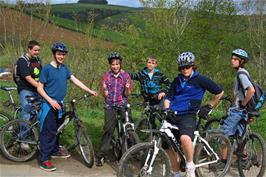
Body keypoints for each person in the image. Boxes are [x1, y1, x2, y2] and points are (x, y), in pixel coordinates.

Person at [37, 42, 97, 172]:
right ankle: (44, 159)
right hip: (49, 105)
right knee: (49, 132)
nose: (61, 57)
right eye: (59, 54)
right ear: (54, 54)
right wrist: (50, 101)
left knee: (57, 130)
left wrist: (89, 90)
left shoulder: (64, 68)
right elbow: (39, 87)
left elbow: (75, 80)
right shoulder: (47, 69)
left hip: (60, 104)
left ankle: (54, 150)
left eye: (63, 54)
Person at [164, 51, 224, 177]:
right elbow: (168, 98)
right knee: (167, 145)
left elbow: (219, 92)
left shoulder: (200, 80)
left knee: (185, 138)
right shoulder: (177, 80)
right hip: (173, 114)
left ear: (192, 66)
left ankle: (190, 166)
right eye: (182, 67)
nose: (185, 69)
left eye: (187, 66)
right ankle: (176, 174)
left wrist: (209, 105)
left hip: (188, 115)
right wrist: (167, 109)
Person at [214, 49, 255, 169]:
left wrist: (242, 104)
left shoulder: (241, 74)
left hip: (238, 110)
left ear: (241, 61)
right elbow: (239, 92)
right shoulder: (244, 73)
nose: (232, 61)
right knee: (240, 135)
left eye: (235, 59)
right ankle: (244, 159)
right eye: (232, 58)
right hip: (244, 111)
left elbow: (251, 90)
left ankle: (223, 162)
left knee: (224, 134)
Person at [95, 52, 132, 167]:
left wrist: (127, 89)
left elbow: (127, 94)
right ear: (110, 65)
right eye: (113, 64)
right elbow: (104, 94)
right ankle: (101, 155)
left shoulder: (126, 76)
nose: (115, 66)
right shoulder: (106, 76)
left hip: (122, 104)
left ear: (120, 64)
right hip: (110, 105)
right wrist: (105, 92)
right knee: (108, 130)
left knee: (128, 128)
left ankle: (131, 152)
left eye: (117, 64)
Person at [130, 55, 171, 128]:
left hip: (159, 101)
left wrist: (163, 92)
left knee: (164, 120)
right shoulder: (142, 74)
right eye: (149, 62)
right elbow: (132, 76)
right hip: (148, 101)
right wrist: (122, 72)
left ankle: (166, 135)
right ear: (146, 63)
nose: (150, 64)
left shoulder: (160, 75)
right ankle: (153, 137)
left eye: (152, 63)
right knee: (151, 122)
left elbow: (169, 84)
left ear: (155, 64)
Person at [16, 40, 42, 121]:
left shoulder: (37, 60)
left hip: (37, 89)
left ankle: (33, 132)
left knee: (39, 111)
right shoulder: (22, 61)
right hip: (26, 89)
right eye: (35, 50)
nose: (37, 52)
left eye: (38, 50)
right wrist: (40, 87)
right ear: (29, 49)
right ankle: (23, 133)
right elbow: (28, 78)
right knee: (26, 112)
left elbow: (42, 74)